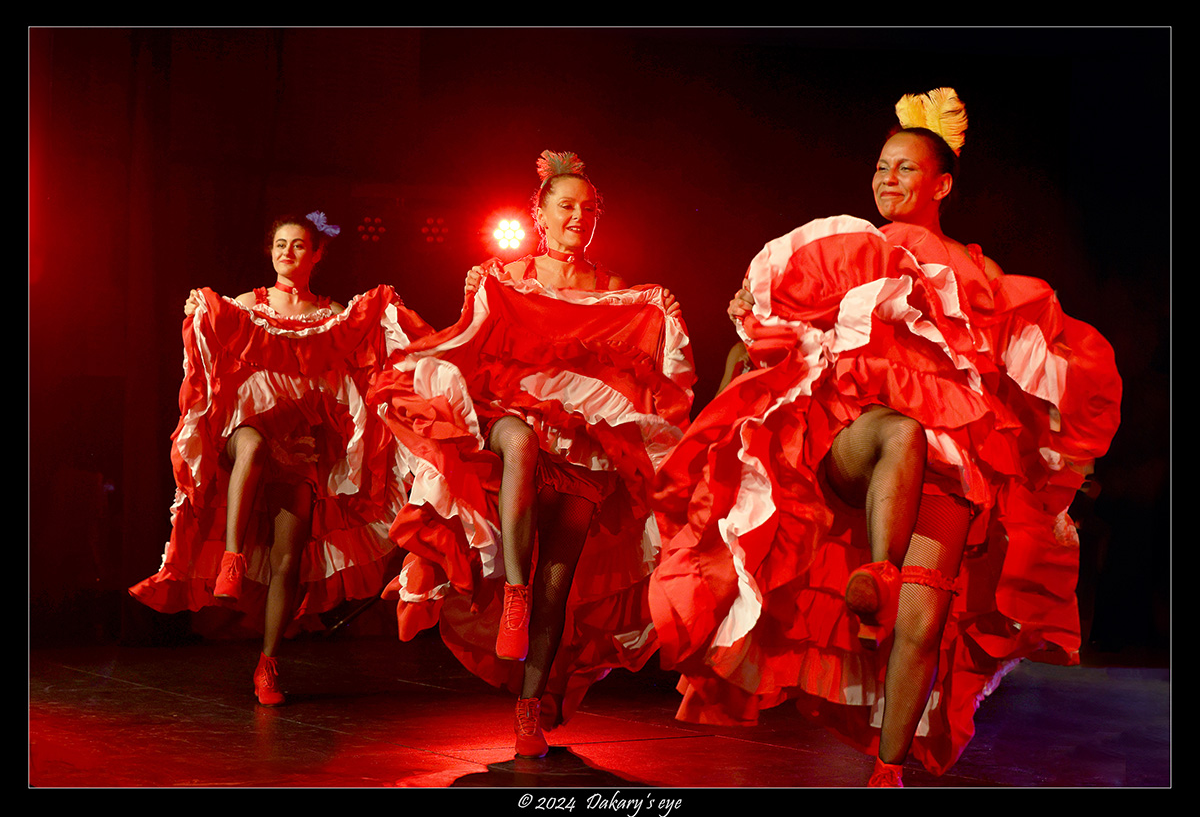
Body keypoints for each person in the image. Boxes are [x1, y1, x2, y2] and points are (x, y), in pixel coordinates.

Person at [650, 89, 1121, 786]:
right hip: (859, 434)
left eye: (904, 168)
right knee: (903, 432)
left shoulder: (981, 278)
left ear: (943, 183)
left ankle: (887, 771)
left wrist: (1063, 455)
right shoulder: (851, 252)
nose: (887, 179)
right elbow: (783, 319)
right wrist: (754, 309)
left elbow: (1032, 369)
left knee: (924, 625)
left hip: (956, 460)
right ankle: (879, 571)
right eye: (881, 166)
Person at [371, 151, 693, 758]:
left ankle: (530, 705)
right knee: (518, 440)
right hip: (509, 424)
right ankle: (511, 593)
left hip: (580, 448)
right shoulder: (505, 275)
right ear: (539, 215)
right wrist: (476, 292)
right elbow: (469, 344)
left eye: (589, 209)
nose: (579, 216)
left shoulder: (618, 292)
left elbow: (646, 371)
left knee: (559, 581)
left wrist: (665, 316)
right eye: (566, 206)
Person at [130, 211, 433, 705]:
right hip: (246, 434)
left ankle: (268, 663)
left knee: (289, 559)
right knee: (250, 444)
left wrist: (385, 317)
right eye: (280, 245)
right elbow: (212, 325)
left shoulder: (332, 314)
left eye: (298, 245)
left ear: (316, 254)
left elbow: (362, 351)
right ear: (270, 252)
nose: (287, 253)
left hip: (300, 446)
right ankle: (232, 556)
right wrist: (197, 306)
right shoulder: (251, 304)